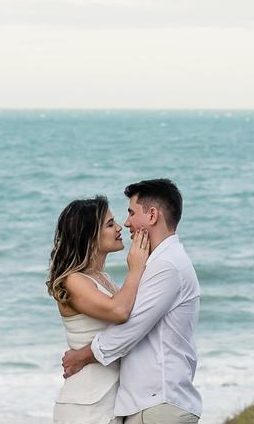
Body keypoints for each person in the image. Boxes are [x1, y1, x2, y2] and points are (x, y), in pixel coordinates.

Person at [61, 179, 202, 424]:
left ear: (153, 215)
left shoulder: (165, 266)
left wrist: (81, 356)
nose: (125, 224)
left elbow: (130, 326)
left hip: (158, 404)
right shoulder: (158, 262)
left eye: (130, 213)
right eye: (112, 222)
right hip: (136, 403)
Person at [48, 196, 152, 424]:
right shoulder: (72, 280)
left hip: (111, 399)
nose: (119, 227)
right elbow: (118, 311)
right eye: (109, 224)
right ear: (89, 235)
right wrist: (136, 268)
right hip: (86, 406)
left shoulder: (102, 278)